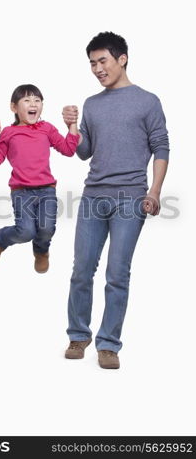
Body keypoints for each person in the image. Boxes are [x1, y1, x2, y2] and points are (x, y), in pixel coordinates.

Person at [63, 32, 169, 369]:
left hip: (131, 199)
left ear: (122, 58)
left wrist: (154, 192)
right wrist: (73, 128)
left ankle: (108, 344)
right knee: (82, 270)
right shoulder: (92, 104)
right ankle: (78, 335)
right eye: (92, 63)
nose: (97, 68)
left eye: (102, 61)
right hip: (94, 197)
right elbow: (84, 153)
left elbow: (161, 147)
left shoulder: (148, 101)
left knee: (117, 273)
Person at [0, 84, 81, 273]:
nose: (33, 104)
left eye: (37, 100)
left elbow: (68, 150)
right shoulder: (9, 133)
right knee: (26, 231)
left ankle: (41, 251)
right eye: (27, 100)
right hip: (22, 192)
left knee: (46, 229)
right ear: (14, 107)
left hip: (47, 190)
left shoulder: (47, 128)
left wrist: (72, 125)